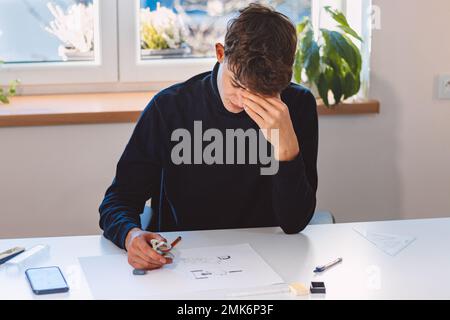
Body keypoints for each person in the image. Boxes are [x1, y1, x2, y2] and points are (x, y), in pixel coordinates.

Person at [99, 3, 318, 271]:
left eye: (261, 92)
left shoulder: (296, 106)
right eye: (237, 84)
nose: (243, 100)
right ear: (220, 53)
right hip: (179, 263)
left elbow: (295, 222)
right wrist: (130, 235)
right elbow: (118, 200)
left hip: (265, 261)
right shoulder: (170, 108)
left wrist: (287, 149)